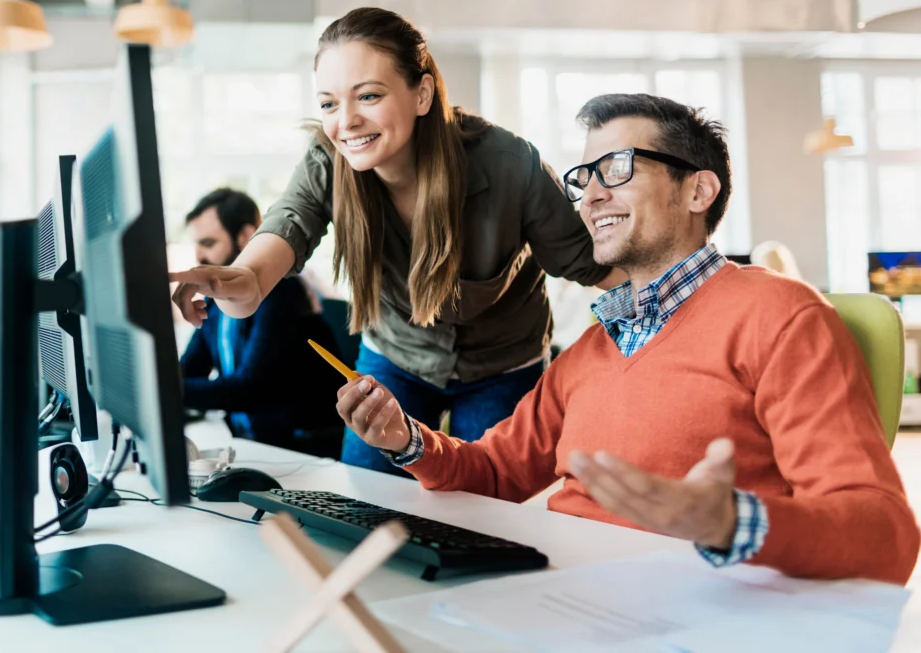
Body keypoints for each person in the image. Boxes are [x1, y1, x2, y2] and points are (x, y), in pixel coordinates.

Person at [335, 93, 920, 583]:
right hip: (563, 598)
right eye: (584, 178)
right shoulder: (592, 348)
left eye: (617, 169)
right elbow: (495, 473)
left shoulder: (780, 316)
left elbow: (886, 534)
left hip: (694, 615)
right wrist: (406, 439)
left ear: (698, 191)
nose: (589, 197)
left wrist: (731, 521)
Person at [171, 8, 622, 475]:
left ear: (422, 93)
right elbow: (287, 225)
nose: (345, 122)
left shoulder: (509, 164)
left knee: (488, 512)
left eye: (368, 95)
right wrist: (240, 281)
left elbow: (591, 266)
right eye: (328, 104)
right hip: (396, 357)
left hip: (503, 365)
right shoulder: (327, 159)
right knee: (367, 502)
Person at [177, 188, 344, 457]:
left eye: (208, 243)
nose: (199, 257)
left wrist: (166, 388)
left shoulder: (283, 292)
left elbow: (249, 388)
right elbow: (192, 368)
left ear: (244, 237)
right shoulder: (215, 303)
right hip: (250, 445)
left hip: (300, 449)